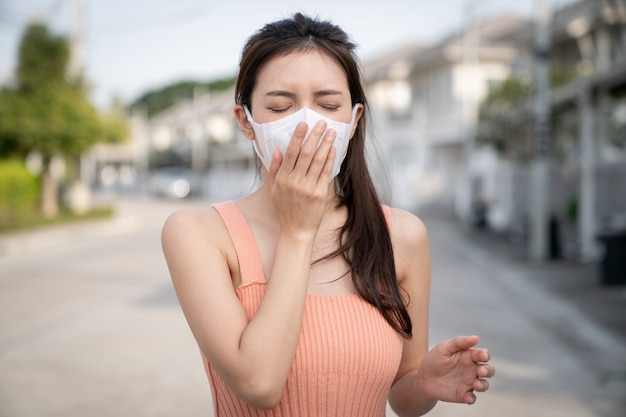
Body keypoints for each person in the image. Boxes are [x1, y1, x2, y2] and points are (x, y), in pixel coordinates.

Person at [161, 12, 495, 417]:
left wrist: (424, 382)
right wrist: (299, 231)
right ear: (245, 122)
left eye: (328, 104)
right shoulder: (199, 234)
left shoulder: (401, 236)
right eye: (281, 105)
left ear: (353, 120)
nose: (308, 122)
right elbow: (259, 384)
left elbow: (403, 396)